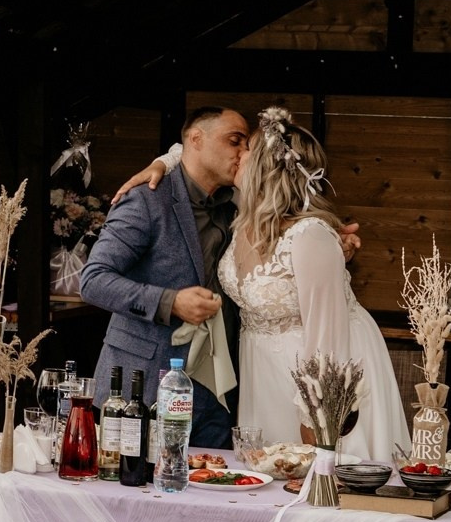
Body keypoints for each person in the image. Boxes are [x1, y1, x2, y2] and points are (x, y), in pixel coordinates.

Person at [220, 107, 409, 463]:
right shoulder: (241, 224)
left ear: (265, 167)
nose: (238, 154)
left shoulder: (310, 235)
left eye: (247, 149)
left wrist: (314, 413)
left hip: (316, 371)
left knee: (322, 475)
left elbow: (327, 334)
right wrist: (164, 162)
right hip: (262, 372)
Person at [80, 106, 250, 448]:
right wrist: (169, 302)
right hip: (142, 386)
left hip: (217, 393)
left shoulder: (236, 206)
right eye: (235, 141)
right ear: (196, 139)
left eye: (246, 146)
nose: (243, 153)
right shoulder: (146, 199)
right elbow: (93, 281)